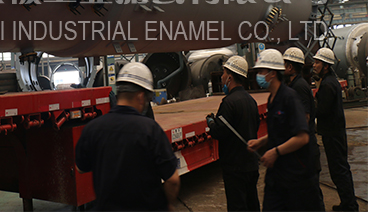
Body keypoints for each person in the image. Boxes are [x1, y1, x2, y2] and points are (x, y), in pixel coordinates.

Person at [75, 62, 180, 211]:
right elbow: (173, 180)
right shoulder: (151, 130)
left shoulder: (92, 129)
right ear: (141, 96)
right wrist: (169, 204)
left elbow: (80, 168)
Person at [247, 49, 321, 211]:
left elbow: (302, 137)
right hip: (277, 175)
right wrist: (261, 142)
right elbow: (280, 130)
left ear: (272, 73)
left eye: (261, 71)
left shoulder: (289, 97)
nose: (258, 76)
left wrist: (275, 152)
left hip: (295, 175)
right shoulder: (272, 99)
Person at [206, 56, 260, 211]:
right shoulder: (251, 101)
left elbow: (219, 131)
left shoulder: (229, 102)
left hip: (235, 167)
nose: (222, 77)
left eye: (224, 73)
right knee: (252, 203)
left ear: (230, 77)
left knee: (237, 206)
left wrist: (211, 123)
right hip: (251, 164)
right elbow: (255, 125)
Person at [313, 47, 359, 212]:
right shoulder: (330, 81)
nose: (314, 65)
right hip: (335, 131)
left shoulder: (328, 84)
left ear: (326, 66)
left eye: (317, 62)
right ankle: (347, 203)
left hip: (332, 133)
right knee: (340, 169)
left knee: (339, 170)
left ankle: (350, 206)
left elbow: (322, 110)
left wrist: (310, 107)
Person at [283, 47, 324, 211]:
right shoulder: (295, 85)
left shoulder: (299, 87)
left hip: (305, 153)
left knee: (311, 198)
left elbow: (304, 118)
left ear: (290, 67)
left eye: (283, 64)